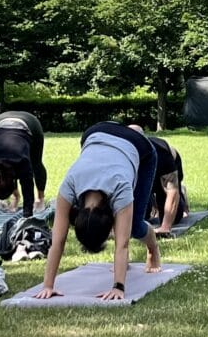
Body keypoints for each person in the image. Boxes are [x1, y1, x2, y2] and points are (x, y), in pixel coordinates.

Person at [32, 120, 162, 302]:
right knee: (128, 226)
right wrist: (47, 286)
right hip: (95, 133)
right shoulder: (69, 185)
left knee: (134, 228)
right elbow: (57, 242)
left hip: (138, 146)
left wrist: (118, 287)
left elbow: (122, 244)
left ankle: (153, 248)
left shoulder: (120, 187)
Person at [134, 127, 188, 233]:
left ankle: (181, 193)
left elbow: (172, 190)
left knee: (175, 217)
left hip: (164, 173)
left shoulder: (161, 154)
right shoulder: (122, 153)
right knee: (141, 216)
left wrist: (165, 227)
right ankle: (151, 202)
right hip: (143, 177)